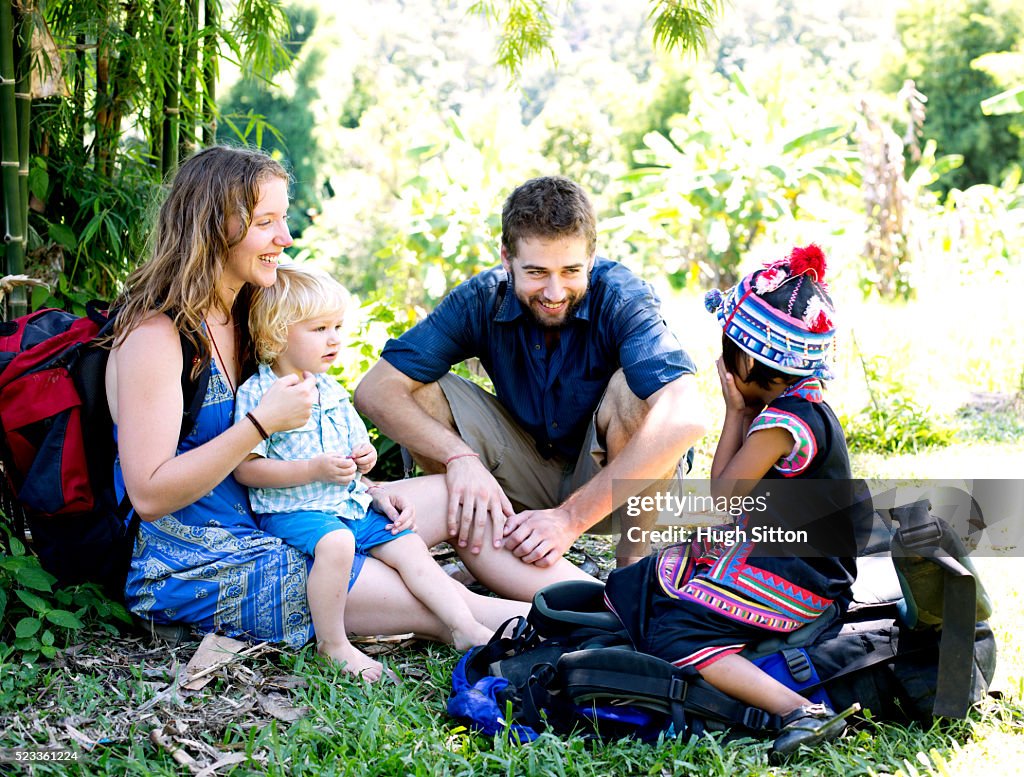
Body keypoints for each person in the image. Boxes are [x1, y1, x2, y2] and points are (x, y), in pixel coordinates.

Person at [105, 146, 588, 658]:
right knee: (450, 604)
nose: (284, 238)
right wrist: (258, 425)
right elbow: (149, 494)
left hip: (288, 506)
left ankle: (607, 597)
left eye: (283, 218)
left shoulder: (247, 314)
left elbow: (297, 443)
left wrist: (365, 485)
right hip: (208, 561)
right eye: (265, 221)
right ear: (212, 227)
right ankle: (602, 619)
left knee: (459, 496)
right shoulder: (156, 336)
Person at [354, 176, 706, 570]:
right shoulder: (481, 298)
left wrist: (569, 521)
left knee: (639, 391)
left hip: (621, 490)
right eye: (537, 272)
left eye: (571, 270)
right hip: (522, 473)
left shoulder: (622, 297)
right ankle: (500, 551)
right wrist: (459, 457)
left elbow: (686, 419)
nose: (555, 292)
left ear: (592, 257)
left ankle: (632, 570)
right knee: (417, 388)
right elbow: (375, 390)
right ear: (507, 258)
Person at [603, 244, 865, 757]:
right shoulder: (797, 404)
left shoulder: (781, 425)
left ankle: (799, 710)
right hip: (786, 551)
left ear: (745, 356)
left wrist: (733, 413)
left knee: (674, 634)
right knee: (649, 579)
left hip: (804, 576)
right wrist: (742, 413)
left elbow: (719, 497)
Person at [233, 265, 494, 680]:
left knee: (408, 547)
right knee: (336, 544)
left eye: (337, 325)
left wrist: (367, 469)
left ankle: (464, 626)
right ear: (277, 334)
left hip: (350, 503)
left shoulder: (331, 390)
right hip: (296, 510)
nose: (334, 337)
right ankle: (332, 644)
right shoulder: (261, 393)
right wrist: (312, 469)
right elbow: (247, 471)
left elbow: (355, 462)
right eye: (319, 328)